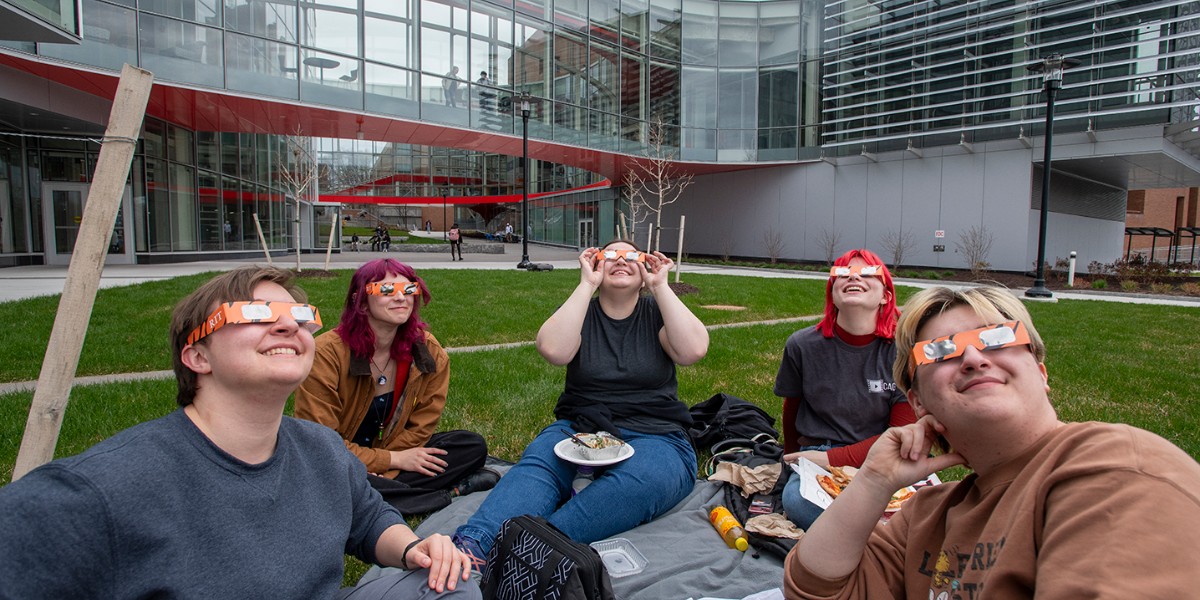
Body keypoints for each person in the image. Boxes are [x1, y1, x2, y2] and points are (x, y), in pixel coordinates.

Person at [0, 266, 479, 599]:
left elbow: (370, 521)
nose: (288, 326)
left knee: (451, 581)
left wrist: (416, 548)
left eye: (300, 318)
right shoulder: (94, 492)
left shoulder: (321, 450)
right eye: (255, 315)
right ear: (197, 357)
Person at [783, 286, 1200, 599]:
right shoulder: (925, 516)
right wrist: (873, 481)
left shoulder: (1111, 469)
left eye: (997, 338)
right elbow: (814, 590)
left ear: (1041, 372)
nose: (973, 358)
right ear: (918, 402)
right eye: (942, 351)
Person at [451, 240, 709, 569]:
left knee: (647, 479)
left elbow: (693, 351)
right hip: (580, 427)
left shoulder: (658, 312)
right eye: (610, 255)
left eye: (631, 256)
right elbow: (554, 350)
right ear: (595, 263)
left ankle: (539, 546)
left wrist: (659, 286)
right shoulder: (580, 312)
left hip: (656, 433)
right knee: (539, 467)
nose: (621, 261)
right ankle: (473, 548)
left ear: (644, 266)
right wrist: (586, 285)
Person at [296, 259, 493, 515]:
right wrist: (392, 461)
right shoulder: (326, 354)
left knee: (470, 446)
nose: (401, 297)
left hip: (394, 452)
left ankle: (369, 497)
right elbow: (322, 444)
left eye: (409, 289)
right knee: (324, 474)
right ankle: (437, 495)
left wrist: (386, 467)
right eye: (386, 290)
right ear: (362, 303)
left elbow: (422, 427)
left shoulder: (427, 351)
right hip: (338, 460)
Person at [774, 249, 915, 530]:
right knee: (798, 501)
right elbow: (792, 409)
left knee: (919, 507)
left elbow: (900, 436)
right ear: (832, 291)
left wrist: (830, 459)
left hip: (884, 457)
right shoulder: (802, 345)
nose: (853, 276)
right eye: (842, 273)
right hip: (817, 453)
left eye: (867, 273)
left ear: (886, 295)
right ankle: (882, 540)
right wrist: (793, 459)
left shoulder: (903, 351)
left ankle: (868, 537)